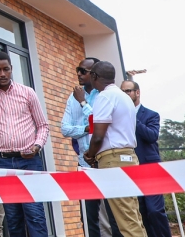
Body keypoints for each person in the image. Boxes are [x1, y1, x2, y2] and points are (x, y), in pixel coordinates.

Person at [0, 51, 49, 237]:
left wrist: (37, 146)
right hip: (2, 163)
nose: (2, 74)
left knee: (35, 214)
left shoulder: (27, 92)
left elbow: (42, 126)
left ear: (11, 69)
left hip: (29, 161)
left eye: (6, 69)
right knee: (13, 218)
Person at [82, 62, 145, 237]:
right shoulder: (124, 97)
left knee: (126, 221)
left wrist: (90, 154)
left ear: (94, 77)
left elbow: (98, 135)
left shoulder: (105, 97)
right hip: (129, 157)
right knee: (133, 216)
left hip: (113, 159)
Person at [61, 57, 120, 237]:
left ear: (94, 74)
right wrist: (86, 128)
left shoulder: (102, 95)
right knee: (88, 215)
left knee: (113, 212)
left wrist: (83, 104)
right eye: (77, 70)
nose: (78, 74)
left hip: (104, 160)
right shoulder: (73, 97)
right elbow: (65, 129)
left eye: (83, 71)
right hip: (84, 164)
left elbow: (98, 124)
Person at [121, 80, 172, 237]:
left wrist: (132, 117)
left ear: (137, 92)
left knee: (154, 210)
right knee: (140, 212)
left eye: (128, 91)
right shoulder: (119, 118)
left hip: (150, 169)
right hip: (130, 169)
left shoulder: (151, 115)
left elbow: (151, 136)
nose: (125, 95)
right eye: (122, 92)